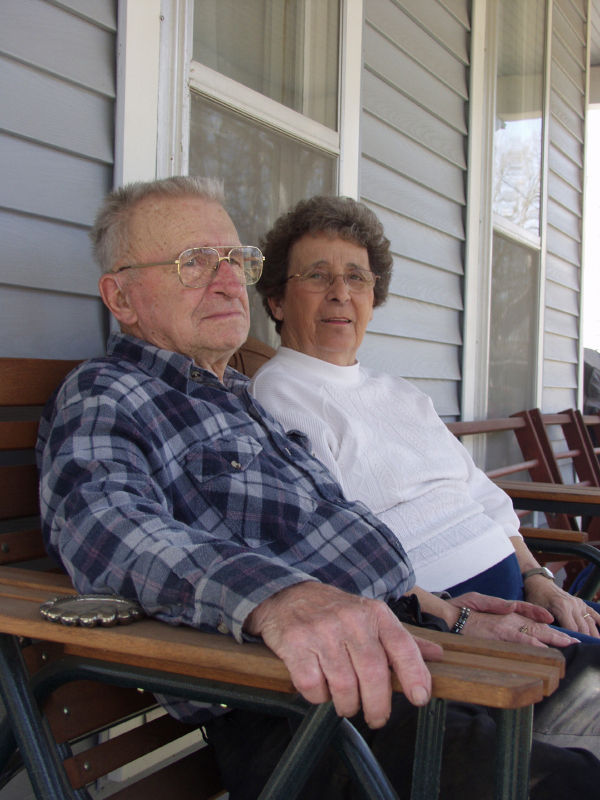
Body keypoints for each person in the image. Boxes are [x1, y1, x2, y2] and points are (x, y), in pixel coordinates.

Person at [36, 177, 600, 799]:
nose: (227, 281)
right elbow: (104, 526)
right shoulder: (107, 394)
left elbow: (329, 542)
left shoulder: (241, 403)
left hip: (412, 647)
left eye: (235, 261)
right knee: (571, 785)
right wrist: (280, 598)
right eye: (194, 263)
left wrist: (444, 612)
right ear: (122, 297)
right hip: (303, 707)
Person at [250, 195, 600, 647]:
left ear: (373, 300)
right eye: (318, 276)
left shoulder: (400, 393)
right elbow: (332, 548)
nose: (341, 292)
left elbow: (479, 495)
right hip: (447, 629)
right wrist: (447, 616)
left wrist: (539, 579)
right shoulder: (281, 396)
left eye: (357, 277)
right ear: (276, 301)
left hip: (523, 598)